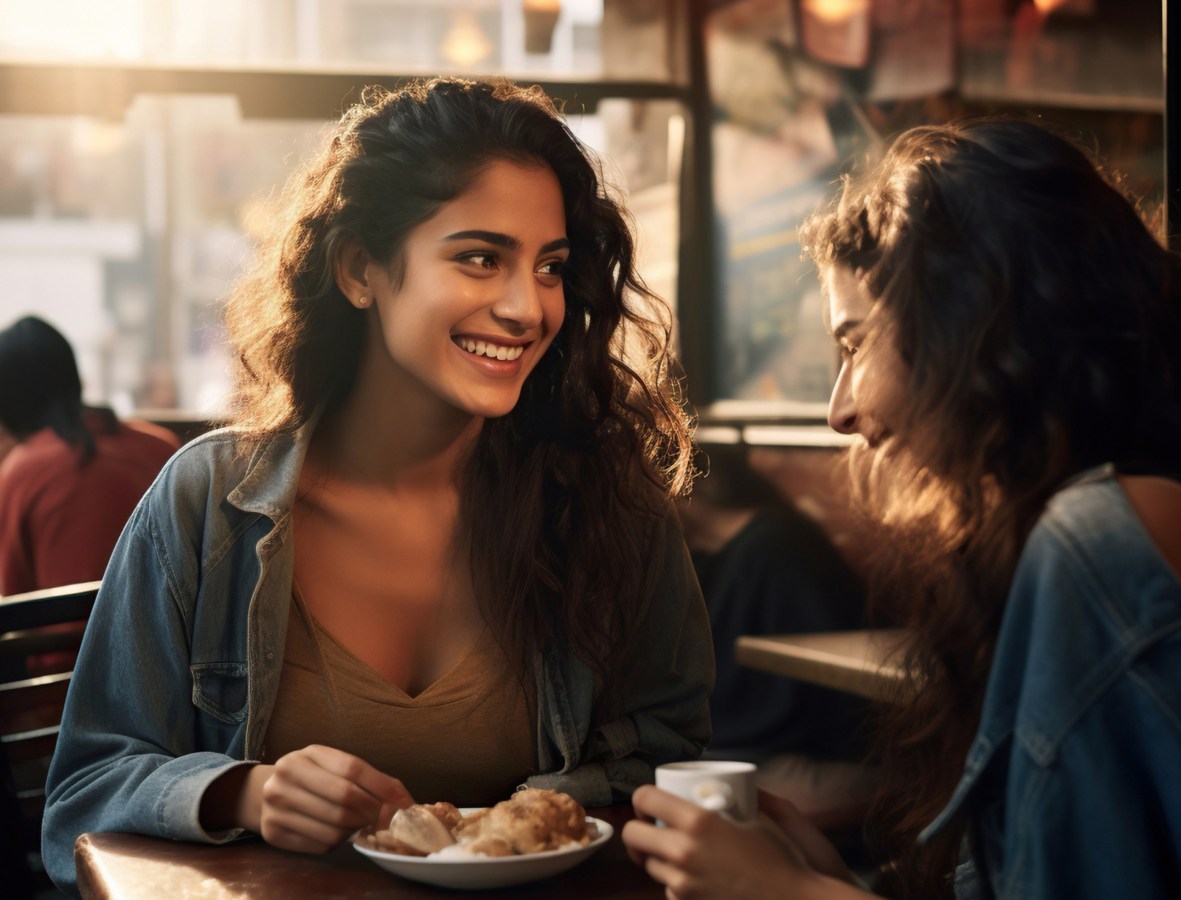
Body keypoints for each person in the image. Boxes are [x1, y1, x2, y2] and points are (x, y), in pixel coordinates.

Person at [42, 77, 714, 896]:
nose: (527, 306)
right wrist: (244, 793)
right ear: (361, 269)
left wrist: (529, 819)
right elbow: (78, 798)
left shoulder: (609, 505)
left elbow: (673, 760)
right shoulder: (210, 504)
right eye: (479, 257)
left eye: (550, 267)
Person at [624, 117, 1181, 899]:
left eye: (855, 346)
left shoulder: (1106, 538)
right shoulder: (1079, 523)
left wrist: (791, 896)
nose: (839, 410)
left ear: (970, 322)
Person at [678, 442, 876, 830]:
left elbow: (839, 707)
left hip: (798, 754)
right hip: (729, 751)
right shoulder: (691, 562)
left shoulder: (777, 546)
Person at [0, 315, 180, 597]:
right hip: (163, 640)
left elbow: (11, 601)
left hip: (61, 642)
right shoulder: (163, 448)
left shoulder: (23, 470)